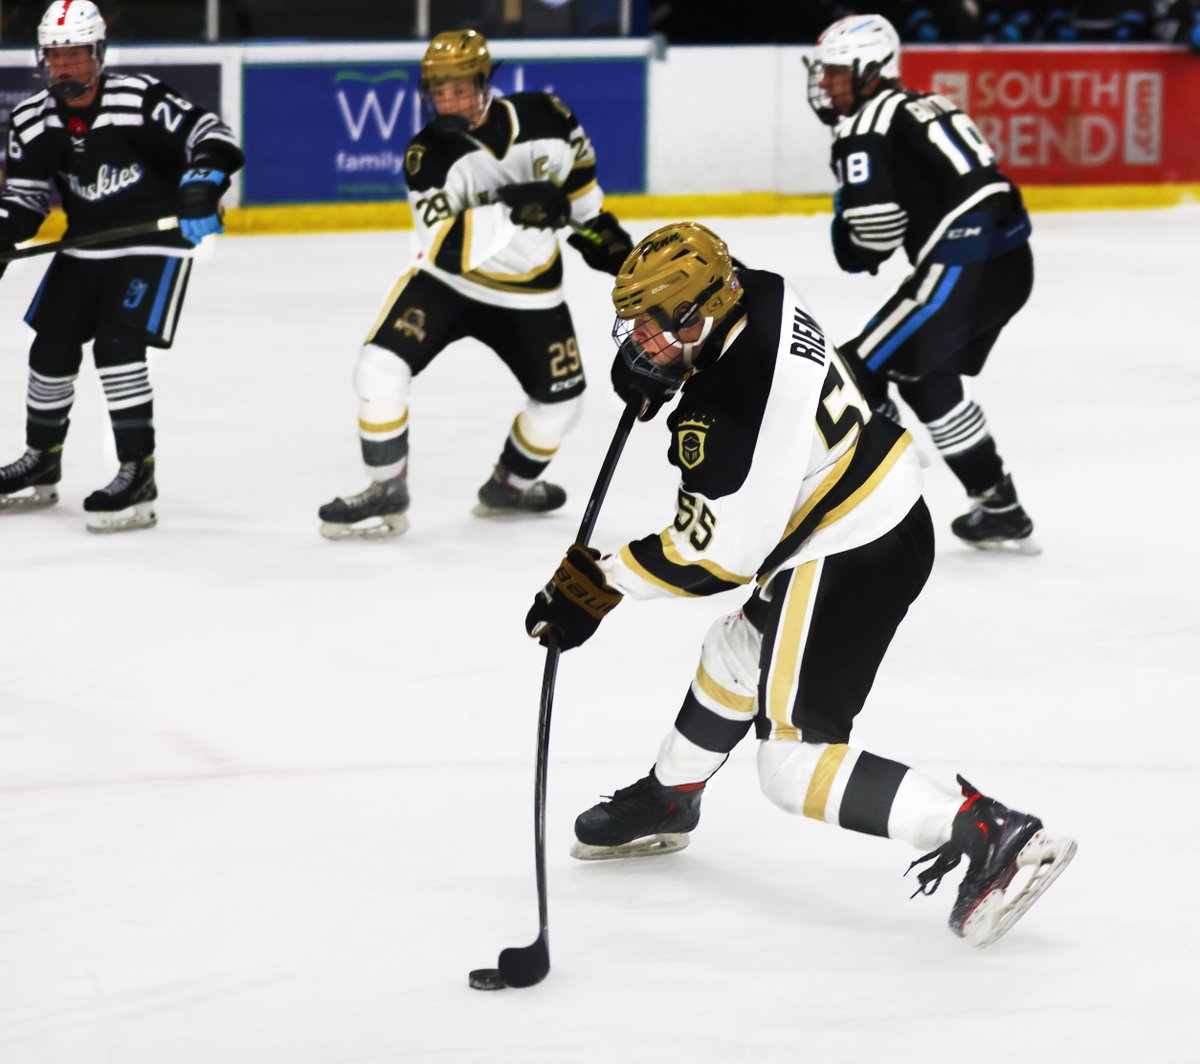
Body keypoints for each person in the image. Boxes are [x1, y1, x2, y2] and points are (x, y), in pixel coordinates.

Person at [524, 222, 1075, 946]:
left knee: (792, 761)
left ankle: (984, 831)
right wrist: (676, 363)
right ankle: (670, 798)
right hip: (866, 498)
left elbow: (718, 556)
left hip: (851, 547)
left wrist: (601, 581)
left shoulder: (729, 412)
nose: (639, 344)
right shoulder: (754, 287)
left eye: (654, 330)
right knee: (735, 654)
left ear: (699, 316)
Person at [317, 28, 633, 540]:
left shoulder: (549, 117)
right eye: (438, 90)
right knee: (378, 369)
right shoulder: (426, 156)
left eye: (460, 87)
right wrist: (515, 207)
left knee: (562, 404)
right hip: (447, 286)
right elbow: (443, 245)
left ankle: (510, 486)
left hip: (532, 291)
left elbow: (579, 199)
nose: (449, 99)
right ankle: (386, 489)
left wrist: (605, 238)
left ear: (485, 83)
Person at [0, 0, 243, 532]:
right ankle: (42, 458)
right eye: (55, 57)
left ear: (98, 54)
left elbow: (214, 136)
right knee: (50, 346)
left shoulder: (138, 99)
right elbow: (24, 200)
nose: (64, 68)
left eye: (76, 55)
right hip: (84, 246)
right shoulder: (31, 119)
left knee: (117, 346)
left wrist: (201, 185)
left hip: (152, 245)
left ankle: (138, 471)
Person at [806, 13, 1037, 551]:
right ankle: (998, 504)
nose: (827, 84)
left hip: (965, 262)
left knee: (850, 373)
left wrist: (848, 236)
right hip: (1008, 262)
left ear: (871, 68)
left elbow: (873, 235)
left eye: (837, 72)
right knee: (926, 380)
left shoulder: (863, 124)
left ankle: (871, 502)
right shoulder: (930, 101)